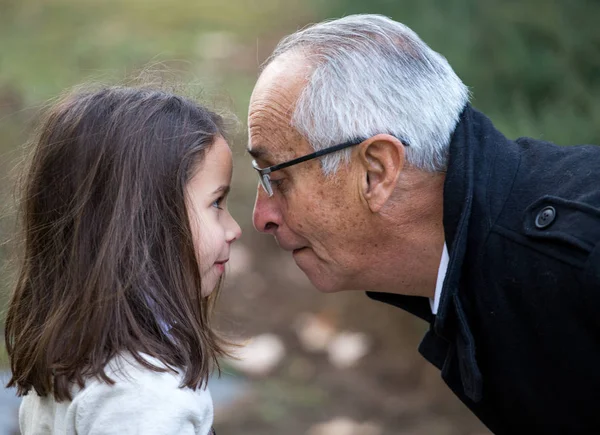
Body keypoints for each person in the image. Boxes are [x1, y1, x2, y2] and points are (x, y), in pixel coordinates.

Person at [247, 14, 600, 435]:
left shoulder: (580, 257)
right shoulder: (482, 265)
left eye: (278, 178)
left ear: (376, 172)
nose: (261, 217)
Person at [5, 85, 241, 434]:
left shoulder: (76, 364)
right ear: (147, 223)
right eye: (217, 203)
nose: (234, 228)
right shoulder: (145, 399)